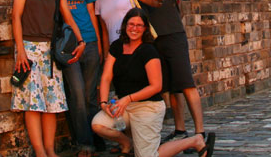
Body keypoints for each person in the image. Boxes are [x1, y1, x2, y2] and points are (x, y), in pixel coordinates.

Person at [92, 8, 216, 157]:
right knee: (98, 124)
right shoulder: (117, 46)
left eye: (139, 25)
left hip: (148, 107)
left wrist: (128, 98)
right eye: (131, 24)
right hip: (124, 106)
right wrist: (104, 103)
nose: (134, 29)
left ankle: (195, 141)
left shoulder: (149, 51)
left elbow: (156, 86)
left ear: (145, 29)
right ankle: (127, 143)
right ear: (125, 26)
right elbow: (106, 77)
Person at [133, 0, 212, 145]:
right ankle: (180, 130)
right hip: (153, 40)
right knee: (171, 88)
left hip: (173, 34)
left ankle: (200, 132)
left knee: (186, 83)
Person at [11, 0, 87, 157]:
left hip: (50, 51)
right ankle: (40, 152)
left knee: (52, 104)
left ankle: (51, 151)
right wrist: (20, 51)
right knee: (33, 104)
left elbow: (68, 17)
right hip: (28, 47)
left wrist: (81, 42)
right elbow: (16, 16)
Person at [56, 0, 102, 157]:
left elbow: (91, 10)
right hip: (69, 43)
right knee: (76, 94)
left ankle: (96, 139)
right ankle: (84, 144)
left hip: (90, 40)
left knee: (91, 95)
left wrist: (99, 45)